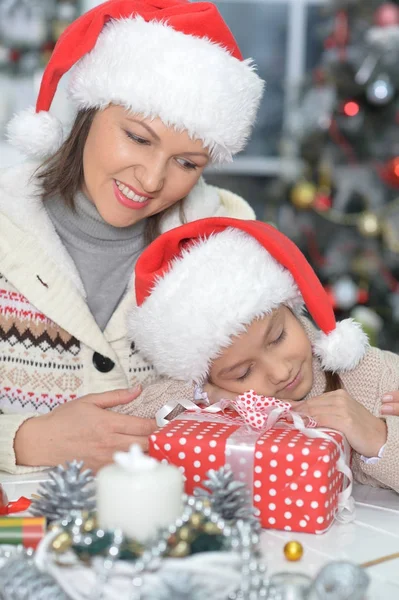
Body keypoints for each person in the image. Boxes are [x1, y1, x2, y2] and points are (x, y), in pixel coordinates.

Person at [0, 0, 265, 473]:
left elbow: (279, 389)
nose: (150, 179)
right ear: (89, 111)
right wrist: (24, 440)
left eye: (187, 163)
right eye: (138, 138)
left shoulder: (226, 243)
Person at [127, 217, 399, 493]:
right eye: (243, 373)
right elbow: (117, 418)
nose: (281, 373)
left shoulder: (369, 375)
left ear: (290, 310)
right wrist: (204, 394)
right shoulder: (208, 396)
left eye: (278, 337)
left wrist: (379, 437)